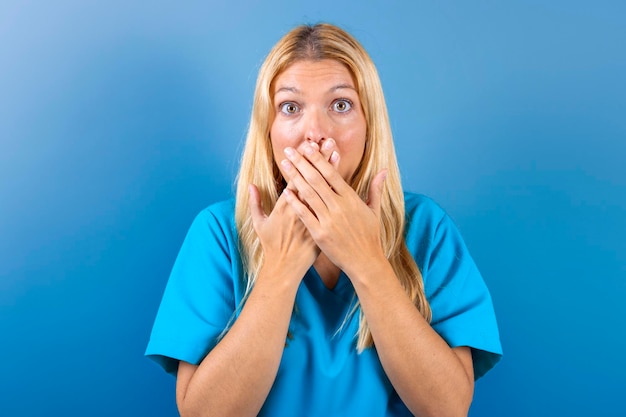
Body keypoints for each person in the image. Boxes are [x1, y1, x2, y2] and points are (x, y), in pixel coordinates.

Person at [145, 23, 502, 417]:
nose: (314, 133)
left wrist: (366, 261)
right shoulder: (217, 233)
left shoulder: (426, 229)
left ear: (370, 125)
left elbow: (448, 408)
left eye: (341, 105)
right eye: (291, 108)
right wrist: (281, 270)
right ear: (269, 129)